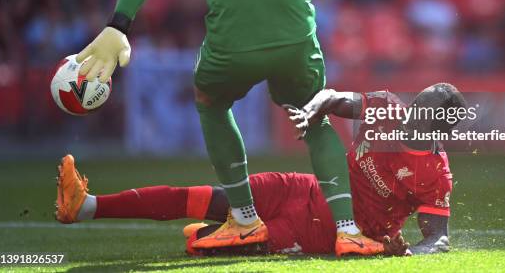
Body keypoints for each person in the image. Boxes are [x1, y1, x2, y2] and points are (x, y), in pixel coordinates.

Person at [73, 0, 444, 256]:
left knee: (210, 102)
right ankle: (347, 230)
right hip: (294, 36)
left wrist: (118, 24)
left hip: (232, 42)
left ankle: (246, 220)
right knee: (315, 113)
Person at [56, 83, 462, 256]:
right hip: (301, 188)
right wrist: (315, 106)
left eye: (422, 111)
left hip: (332, 229)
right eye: (417, 101)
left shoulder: (436, 174)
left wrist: (405, 250)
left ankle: (206, 237)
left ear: (437, 127)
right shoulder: (389, 107)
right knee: (210, 196)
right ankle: (87, 205)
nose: (411, 113)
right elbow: (337, 97)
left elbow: (437, 240)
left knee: (206, 246)